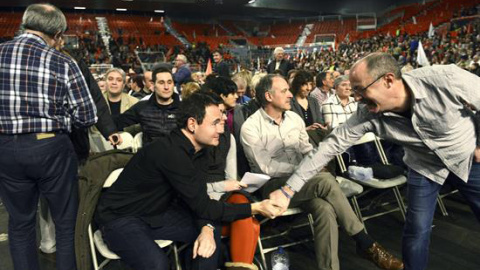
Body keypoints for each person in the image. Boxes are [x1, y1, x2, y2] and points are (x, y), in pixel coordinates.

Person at [273, 52, 480, 270]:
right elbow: (328, 147)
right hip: (425, 168)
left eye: (360, 89)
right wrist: (288, 190)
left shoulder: (443, 78)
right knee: (416, 231)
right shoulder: (366, 114)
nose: (356, 98)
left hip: (468, 158)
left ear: (388, 80)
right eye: (354, 91)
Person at [94, 91, 278, 270]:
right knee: (157, 265)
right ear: (192, 124)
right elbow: (203, 205)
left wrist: (206, 228)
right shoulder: (171, 153)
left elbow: (199, 201)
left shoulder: (199, 150)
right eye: (215, 123)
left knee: (210, 232)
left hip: (157, 213)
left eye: (221, 122)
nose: (221, 130)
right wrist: (256, 207)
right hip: (120, 218)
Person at [241, 74, 404, 270]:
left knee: (324, 209)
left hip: (306, 181)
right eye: (284, 91)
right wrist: (305, 169)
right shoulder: (250, 127)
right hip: (274, 186)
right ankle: (365, 242)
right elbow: (265, 167)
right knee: (326, 181)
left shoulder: (294, 118)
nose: (290, 95)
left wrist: (314, 161)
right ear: (268, 96)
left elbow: (307, 149)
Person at [0, 3, 97, 270]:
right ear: (56, 34)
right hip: (50, 147)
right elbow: (87, 116)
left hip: (6, 147)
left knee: (20, 224)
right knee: (65, 224)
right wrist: (61, 118)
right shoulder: (64, 61)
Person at [115, 67, 180, 145]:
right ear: (153, 85)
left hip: (178, 154)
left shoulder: (184, 108)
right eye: (161, 83)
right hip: (151, 154)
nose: (166, 87)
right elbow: (118, 122)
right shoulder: (142, 108)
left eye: (169, 82)